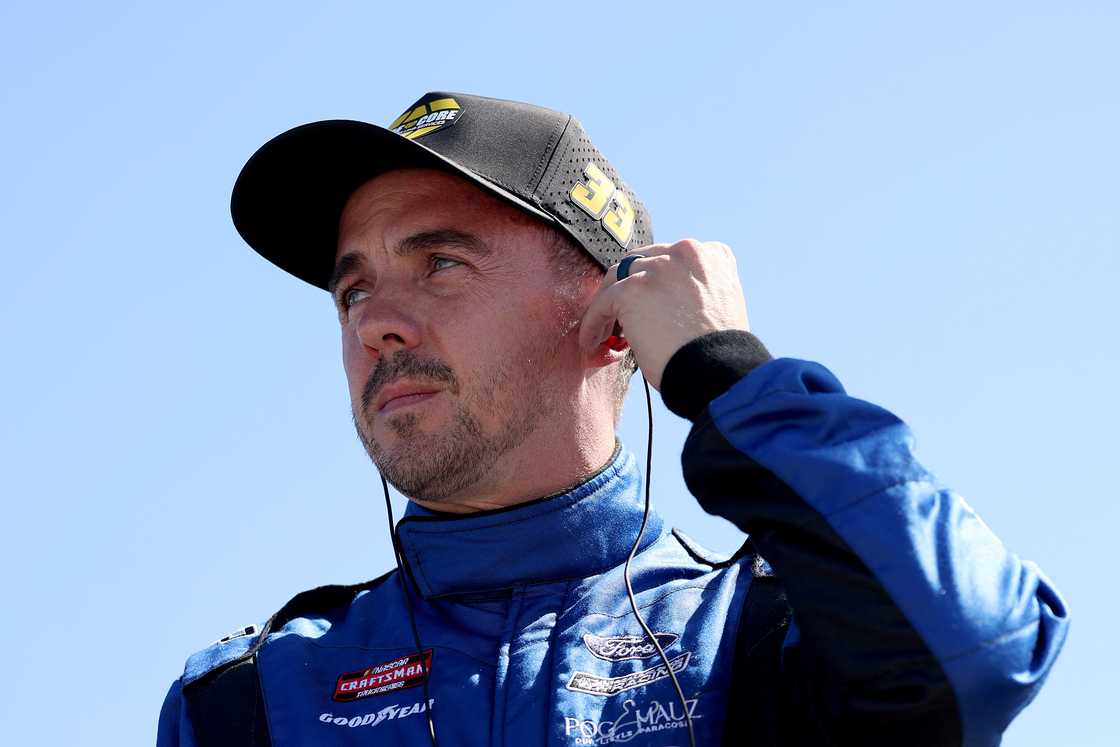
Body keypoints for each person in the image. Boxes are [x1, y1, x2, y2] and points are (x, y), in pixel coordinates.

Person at [157, 91, 1068, 746]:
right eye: (352, 288)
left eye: (439, 264)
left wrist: (723, 372)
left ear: (610, 314)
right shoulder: (251, 698)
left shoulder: (772, 630)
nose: (373, 321)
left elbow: (977, 655)